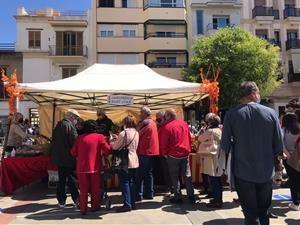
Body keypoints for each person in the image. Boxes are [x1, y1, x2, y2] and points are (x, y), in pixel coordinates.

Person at [221, 81, 283, 225]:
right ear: (253, 93)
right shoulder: (271, 113)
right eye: (259, 92)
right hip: (266, 171)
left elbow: (225, 145)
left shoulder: (231, 114)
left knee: (250, 214)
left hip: (242, 171)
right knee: (264, 212)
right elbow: (278, 145)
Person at [71, 120, 110, 215]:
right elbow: (107, 150)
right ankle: (94, 207)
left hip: (82, 167)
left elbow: (72, 152)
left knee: (83, 189)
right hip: (95, 167)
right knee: (95, 189)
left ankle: (83, 208)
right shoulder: (99, 137)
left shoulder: (79, 138)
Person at [159, 108, 195, 204]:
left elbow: (164, 143)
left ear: (168, 116)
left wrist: (165, 154)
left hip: (173, 154)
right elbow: (189, 137)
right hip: (185, 153)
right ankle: (191, 195)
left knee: (174, 177)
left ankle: (178, 196)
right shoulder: (184, 124)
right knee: (187, 175)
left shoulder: (166, 126)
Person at [50, 109, 80, 208]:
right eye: (76, 118)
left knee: (61, 180)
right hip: (69, 158)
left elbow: (53, 141)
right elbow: (74, 142)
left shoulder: (58, 125)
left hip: (59, 158)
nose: (76, 120)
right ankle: (76, 200)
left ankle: (61, 201)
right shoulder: (70, 126)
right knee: (73, 180)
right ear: (71, 117)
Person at [111, 115, 139, 212]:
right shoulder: (136, 133)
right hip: (134, 159)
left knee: (125, 182)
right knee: (131, 182)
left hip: (125, 161)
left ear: (125, 123)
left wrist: (113, 140)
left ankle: (127, 204)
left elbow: (115, 147)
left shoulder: (124, 133)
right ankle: (132, 203)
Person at [197, 113, 225, 208]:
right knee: (217, 179)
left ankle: (217, 201)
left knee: (214, 180)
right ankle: (217, 199)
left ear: (210, 122)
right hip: (219, 157)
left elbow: (200, 138)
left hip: (212, 157)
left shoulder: (210, 131)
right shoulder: (220, 130)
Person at [135, 106, 159, 201]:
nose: (139, 115)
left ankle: (138, 194)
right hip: (151, 151)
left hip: (144, 151)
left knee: (140, 174)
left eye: (141, 113)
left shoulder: (145, 122)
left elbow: (136, 133)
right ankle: (149, 193)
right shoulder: (153, 122)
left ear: (144, 114)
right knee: (148, 173)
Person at [282, 113, 300, 211]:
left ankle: (295, 203)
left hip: (289, 158)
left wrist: (288, 154)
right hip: (299, 156)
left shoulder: (284, 130)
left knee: (293, 181)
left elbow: (281, 144)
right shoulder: (299, 129)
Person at [156, 110, 173, 196]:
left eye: (159, 119)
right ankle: (169, 187)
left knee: (168, 171)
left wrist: (165, 153)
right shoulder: (160, 126)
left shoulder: (166, 126)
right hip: (162, 152)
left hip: (166, 152)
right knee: (165, 171)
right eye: (157, 119)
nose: (157, 120)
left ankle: (169, 188)